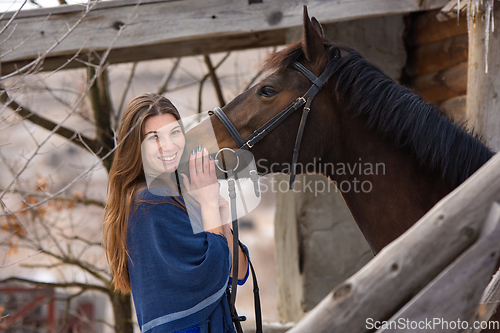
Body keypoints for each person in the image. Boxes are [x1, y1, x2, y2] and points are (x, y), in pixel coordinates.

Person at [103, 93, 249, 333]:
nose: (168, 146)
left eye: (174, 132)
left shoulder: (183, 195)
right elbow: (211, 273)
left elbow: (239, 272)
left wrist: (218, 213)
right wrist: (209, 205)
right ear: (135, 146)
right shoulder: (147, 203)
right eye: (153, 137)